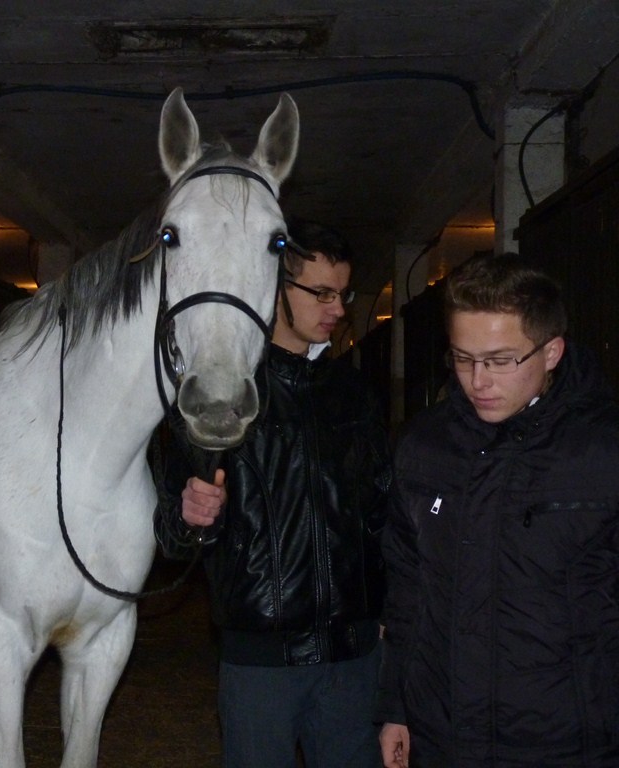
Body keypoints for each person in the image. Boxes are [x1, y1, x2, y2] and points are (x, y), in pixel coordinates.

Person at [154, 220, 392, 768]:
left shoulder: (354, 393)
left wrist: (388, 617)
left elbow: (383, 511)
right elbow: (170, 534)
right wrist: (193, 517)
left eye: (343, 293)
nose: (336, 307)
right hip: (261, 665)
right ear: (276, 288)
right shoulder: (223, 395)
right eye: (321, 293)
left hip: (352, 659)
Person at [376, 252, 619, 767]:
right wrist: (396, 706)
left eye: (500, 360)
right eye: (462, 358)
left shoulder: (603, 451)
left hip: (567, 740)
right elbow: (407, 589)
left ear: (551, 352)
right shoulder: (424, 445)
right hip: (442, 736)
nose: (477, 381)